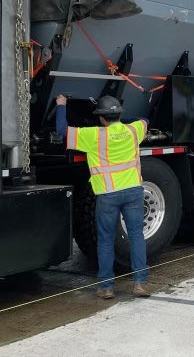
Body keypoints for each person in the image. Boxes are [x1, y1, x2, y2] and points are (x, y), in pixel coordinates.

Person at [55, 94, 150, 299]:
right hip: (133, 192)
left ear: (100, 118)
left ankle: (106, 287)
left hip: (108, 195)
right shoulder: (133, 130)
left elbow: (62, 130)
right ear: (119, 115)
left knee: (106, 241)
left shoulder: (94, 135)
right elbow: (144, 120)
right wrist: (121, 119)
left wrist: (61, 105)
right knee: (136, 236)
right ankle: (140, 284)